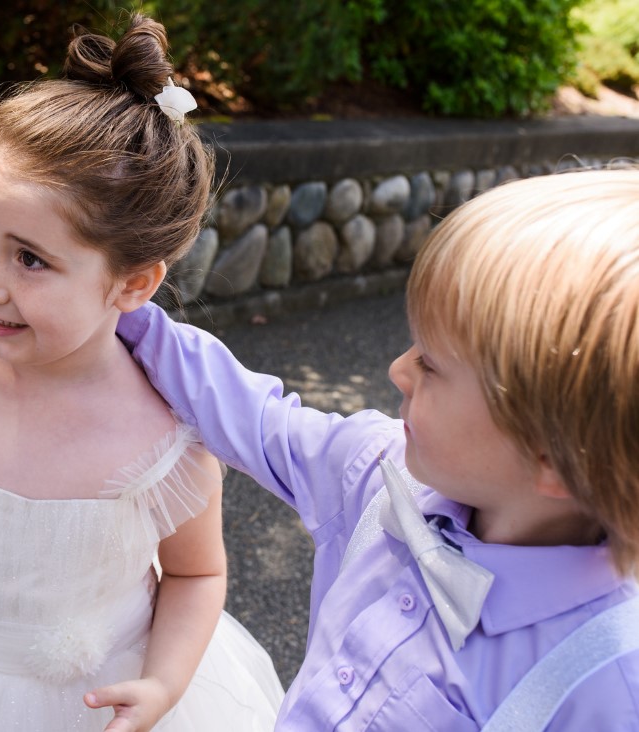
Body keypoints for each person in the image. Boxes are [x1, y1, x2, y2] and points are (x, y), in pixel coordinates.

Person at [0, 15, 283, 732]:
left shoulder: (167, 437)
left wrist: (162, 683)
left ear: (132, 284)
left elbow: (195, 573)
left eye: (30, 258)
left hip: (104, 696)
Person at [118, 168, 639, 729]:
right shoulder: (381, 471)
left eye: (431, 366)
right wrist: (115, 305)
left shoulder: (604, 690)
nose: (398, 370)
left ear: (556, 458)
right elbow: (256, 416)